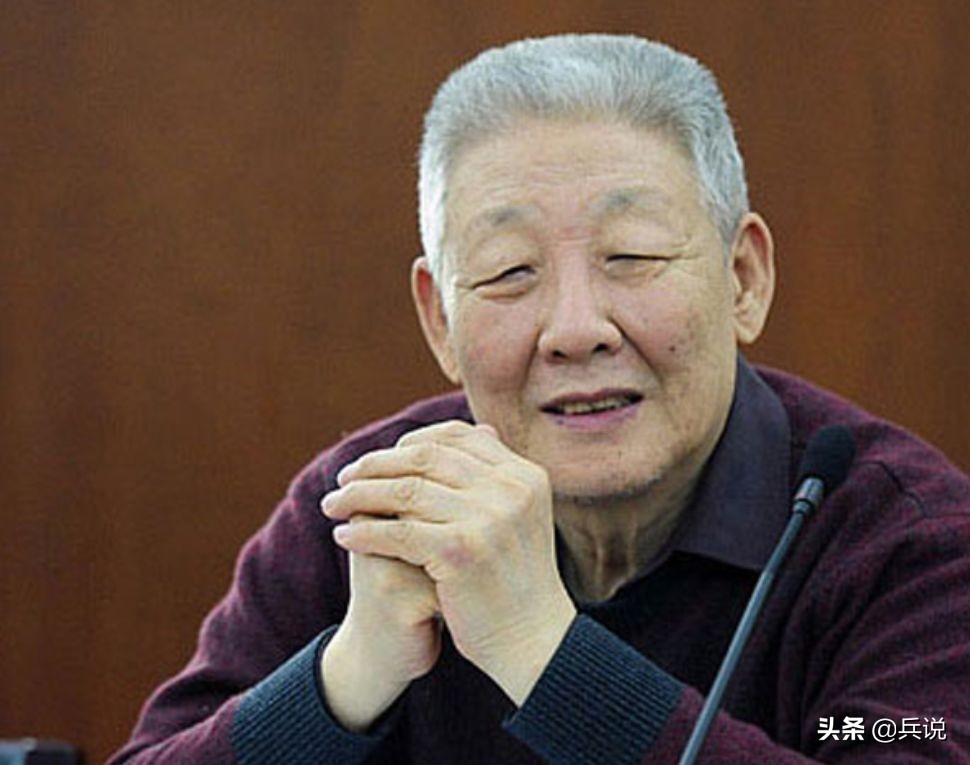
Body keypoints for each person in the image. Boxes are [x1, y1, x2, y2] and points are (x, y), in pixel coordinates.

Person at [110, 34, 970, 764]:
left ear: (743, 278)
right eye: (508, 272)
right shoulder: (372, 510)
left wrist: (545, 654)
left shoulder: (907, 541)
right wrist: (345, 676)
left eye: (631, 257)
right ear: (439, 319)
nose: (574, 329)